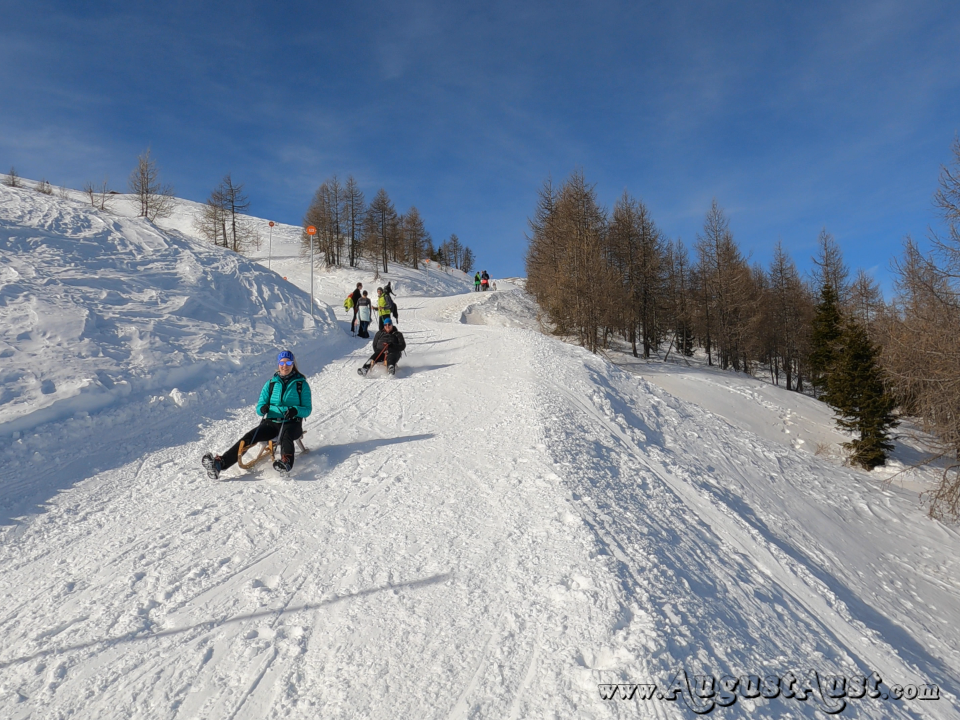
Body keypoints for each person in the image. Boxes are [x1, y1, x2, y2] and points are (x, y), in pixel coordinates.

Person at [202, 350, 312, 478]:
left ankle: (286, 463)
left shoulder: (301, 384)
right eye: (282, 362)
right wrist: (263, 408)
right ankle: (220, 463)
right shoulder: (270, 384)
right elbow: (259, 407)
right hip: (271, 422)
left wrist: (296, 410)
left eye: (288, 362)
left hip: (292, 423)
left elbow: (307, 409)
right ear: (278, 364)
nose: (285, 366)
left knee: (286, 436)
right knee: (250, 436)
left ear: (293, 364)